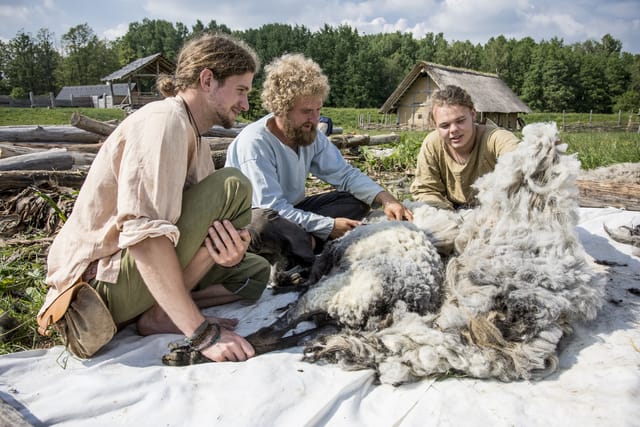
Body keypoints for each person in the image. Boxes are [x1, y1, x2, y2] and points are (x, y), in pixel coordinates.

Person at [38, 33, 270, 363]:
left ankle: (164, 309)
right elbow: (143, 236)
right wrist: (199, 331)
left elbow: (203, 228)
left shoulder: (196, 139)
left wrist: (225, 252)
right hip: (95, 291)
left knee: (255, 273)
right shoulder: (164, 123)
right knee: (233, 186)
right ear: (207, 80)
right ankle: (163, 314)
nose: (246, 104)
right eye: (241, 90)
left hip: (131, 281)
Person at [225, 53, 412, 269]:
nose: (315, 119)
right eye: (306, 111)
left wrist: (385, 198)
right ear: (281, 108)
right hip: (256, 220)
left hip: (293, 212)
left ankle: (299, 245)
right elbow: (271, 207)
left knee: (356, 200)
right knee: (263, 223)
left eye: (318, 110)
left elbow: (345, 174)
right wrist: (328, 226)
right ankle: (308, 246)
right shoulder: (255, 143)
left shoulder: (310, 133)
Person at [410, 85, 520, 210]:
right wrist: (445, 215)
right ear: (435, 125)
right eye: (445, 126)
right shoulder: (433, 144)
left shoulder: (495, 139)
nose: (454, 130)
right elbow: (426, 190)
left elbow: (522, 159)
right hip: (452, 212)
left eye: (460, 121)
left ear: (473, 114)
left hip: (495, 210)